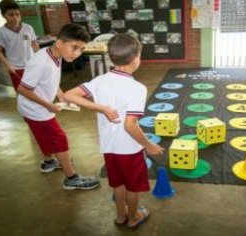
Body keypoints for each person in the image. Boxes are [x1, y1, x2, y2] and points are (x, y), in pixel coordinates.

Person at [64, 33, 164, 228]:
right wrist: (149, 145)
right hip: (129, 149)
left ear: (111, 57)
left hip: (108, 147)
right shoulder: (137, 88)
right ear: (136, 59)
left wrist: (102, 108)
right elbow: (130, 126)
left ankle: (120, 217)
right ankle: (133, 217)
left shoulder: (100, 80)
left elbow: (69, 94)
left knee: (117, 184)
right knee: (133, 187)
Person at [17, 24, 115, 190]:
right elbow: (22, 88)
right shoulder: (41, 61)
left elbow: (51, 80)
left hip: (34, 107)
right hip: (36, 109)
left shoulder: (56, 55)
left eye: (81, 49)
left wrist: (61, 96)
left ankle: (48, 162)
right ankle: (71, 178)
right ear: (59, 42)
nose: (77, 54)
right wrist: (48, 105)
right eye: (74, 48)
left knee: (43, 136)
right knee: (58, 139)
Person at [0, 0, 39, 91]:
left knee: (37, 90)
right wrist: (7, 65)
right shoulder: (1, 32)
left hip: (32, 65)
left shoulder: (28, 28)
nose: (15, 18)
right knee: (22, 92)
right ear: (3, 16)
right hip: (16, 68)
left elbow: (35, 45)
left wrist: (41, 60)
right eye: (10, 15)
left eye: (17, 14)